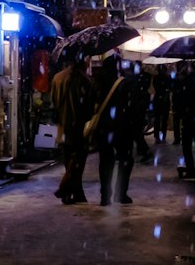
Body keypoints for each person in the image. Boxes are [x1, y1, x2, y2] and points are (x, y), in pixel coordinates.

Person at [90, 54, 137, 206]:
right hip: (121, 128)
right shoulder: (124, 83)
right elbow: (130, 107)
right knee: (125, 160)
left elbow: (94, 104)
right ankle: (120, 193)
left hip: (104, 128)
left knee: (105, 161)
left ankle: (105, 196)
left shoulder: (99, 82)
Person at [51, 58, 95, 204]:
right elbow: (89, 108)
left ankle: (75, 193)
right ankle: (66, 189)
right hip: (78, 127)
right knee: (78, 160)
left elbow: (53, 103)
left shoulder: (57, 78)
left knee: (68, 158)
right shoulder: (85, 81)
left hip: (62, 127)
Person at [152, 65, 172, 144]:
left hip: (162, 99)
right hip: (161, 99)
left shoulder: (165, 78)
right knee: (160, 118)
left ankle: (160, 135)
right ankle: (160, 135)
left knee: (161, 119)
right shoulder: (159, 78)